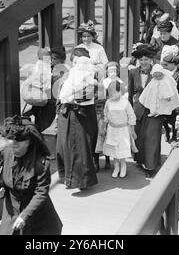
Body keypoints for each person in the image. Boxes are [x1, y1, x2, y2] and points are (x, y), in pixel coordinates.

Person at [0, 116, 62, 234]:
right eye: (11, 146)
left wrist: (25, 215)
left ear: (28, 142)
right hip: (12, 211)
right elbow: (4, 175)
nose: (14, 150)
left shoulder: (41, 163)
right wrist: (0, 185)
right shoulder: (7, 153)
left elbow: (41, 193)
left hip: (36, 215)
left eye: (17, 146)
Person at [56, 47, 99, 189]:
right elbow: (60, 97)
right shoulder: (66, 77)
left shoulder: (91, 77)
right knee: (65, 147)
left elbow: (93, 95)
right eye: (74, 62)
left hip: (83, 115)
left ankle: (82, 181)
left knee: (81, 149)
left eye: (79, 63)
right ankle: (68, 178)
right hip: (66, 114)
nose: (77, 66)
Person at [76, 20, 108, 170]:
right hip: (83, 88)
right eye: (83, 36)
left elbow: (105, 66)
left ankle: (97, 157)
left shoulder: (99, 49)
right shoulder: (78, 49)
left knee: (97, 124)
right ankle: (86, 157)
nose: (86, 39)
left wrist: (93, 68)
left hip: (97, 88)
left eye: (88, 36)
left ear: (93, 36)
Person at [128, 44, 162, 178]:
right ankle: (141, 160)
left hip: (154, 110)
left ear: (151, 60)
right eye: (141, 60)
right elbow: (130, 94)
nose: (143, 62)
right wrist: (129, 112)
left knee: (151, 138)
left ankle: (151, 166)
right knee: (139, 138)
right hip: (138, 110)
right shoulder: (132, 72)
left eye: (146, 60)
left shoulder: (158, 73)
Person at [102, 81, 137, 178]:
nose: (113, 95)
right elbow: (106, 115)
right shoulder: (108, 103)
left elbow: (132, 117)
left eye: (115, 92)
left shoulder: (125, 103)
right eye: (110, 94)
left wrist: (132, 130)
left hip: (123, 130)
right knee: (113, 150)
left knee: (122, 149)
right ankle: (116, 167)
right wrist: (104, 127)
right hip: (112, 129)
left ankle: (123, 166)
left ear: (120, 91)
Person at [161, 55, 179, 142]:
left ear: (174, 64)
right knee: (163, 119)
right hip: (164, 102)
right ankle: (167, 131)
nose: (164, 67)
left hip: (174, 104)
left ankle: (174, 135)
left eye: (166, 65)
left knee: (174, 121)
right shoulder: (162, 75)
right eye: (163, 65)